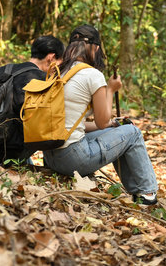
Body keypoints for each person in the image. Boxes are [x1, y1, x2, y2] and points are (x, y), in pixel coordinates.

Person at [42, 25, 158, 205]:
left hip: (50, 156)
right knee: (133, 133)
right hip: (72, 159)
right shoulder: (91, 74)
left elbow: (72, 123)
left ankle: (137, 191)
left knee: (121, 132)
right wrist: (111, 90)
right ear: (95, 48)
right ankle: (147, 193)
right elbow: (102, 121)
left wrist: (113, 126)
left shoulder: (57, 72)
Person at [0, 35, 65, 165]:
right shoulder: (42, 81)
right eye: (60, 63)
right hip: (8, 152)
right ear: (51, 58)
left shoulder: (4, 70)